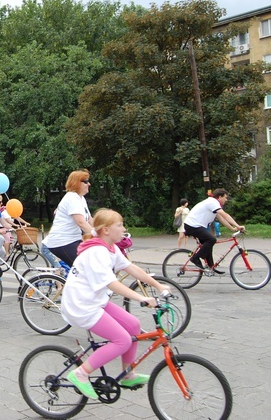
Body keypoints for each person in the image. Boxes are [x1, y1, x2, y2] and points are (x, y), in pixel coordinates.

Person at [61, 209, 170, 398]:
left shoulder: (111, 248)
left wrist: (159, 286)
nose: (124, 229)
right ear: (105, 230)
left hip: (95, 300)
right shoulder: (97, 252)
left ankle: (127, 374)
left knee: (134, 325)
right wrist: (141, 298)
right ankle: (81, 373)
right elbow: (110, 283)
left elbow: (132, 268)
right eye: (119, 225)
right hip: (81, 305)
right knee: (122, 340)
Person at [182, 188, 245, 273]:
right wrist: (238, 225)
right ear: (219, 197)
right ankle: (195, 258)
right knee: (211, 239)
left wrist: (233, 229)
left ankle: (211, 266)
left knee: (208, 244)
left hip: (196, 225)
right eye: (225, 197)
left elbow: (222, 219)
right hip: (192, 225)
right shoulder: (213, 202)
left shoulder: (214, 204)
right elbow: (225, 215)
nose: (226, 200)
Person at [41, 169, 95, 267]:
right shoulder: (72, 198)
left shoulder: (81, 198)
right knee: (84, 267)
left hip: (73, 240)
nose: (89, 184)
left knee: (92, 260)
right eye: (86, 182)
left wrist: (105, 229)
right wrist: (97, 234)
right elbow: (81, 223)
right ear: (77, 183)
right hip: (62, 241)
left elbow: (90, 220)